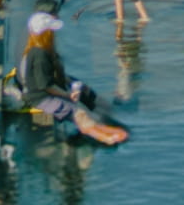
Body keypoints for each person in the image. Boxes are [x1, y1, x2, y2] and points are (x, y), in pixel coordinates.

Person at [19, 11, 129, 145]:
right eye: (51, 31)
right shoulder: (40, 56)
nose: (54, 34)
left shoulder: (37, 50)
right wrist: (67, 95)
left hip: (44, 91)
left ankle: (103, 128)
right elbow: (45, 85)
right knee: (79, 113)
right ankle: (105, 138)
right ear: (45, 34)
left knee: (82, 103)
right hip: (40, 98)